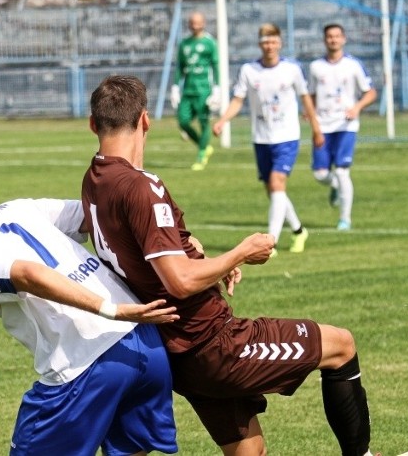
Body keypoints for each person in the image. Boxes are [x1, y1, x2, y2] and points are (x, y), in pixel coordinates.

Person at [82, 75, 381, 456]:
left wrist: (204, 257)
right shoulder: (141, 186)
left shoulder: (94, 179)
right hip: (213, 343)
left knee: (248, 449)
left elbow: (148, 246)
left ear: (93, 124)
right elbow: (179, 279)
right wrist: (240, 252)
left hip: (176, 352)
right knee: (340, 345)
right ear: (145, 120)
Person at [0, 183, 179, 456]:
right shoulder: (14, 208)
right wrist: (185, 244)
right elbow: (100, 215)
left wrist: (110, 309)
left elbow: (28, 275)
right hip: (146, 344)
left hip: (86, 363)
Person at [212, 23, 318, 255]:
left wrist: (316, 128)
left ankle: (271, 242)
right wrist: (223, 120)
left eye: (273, 41)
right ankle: (299, 230)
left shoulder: (292, 69)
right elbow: (238, 100)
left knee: (278, 183)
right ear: (260, 44)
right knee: (273, 190)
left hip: (287, 136)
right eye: (265, 42)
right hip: (262, 137)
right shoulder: (249, 71)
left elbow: (306, 98)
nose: (269, 46)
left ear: (279, 43)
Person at [307, 23, 377, 231]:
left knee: (342, 171)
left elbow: (371, 92)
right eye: (330, 36)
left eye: (337, 36)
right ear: (324, 40)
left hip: (346, 125)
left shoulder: (353, 65)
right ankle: (336, 186)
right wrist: (310, 115)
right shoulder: (316, 67)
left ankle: (345, 220)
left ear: (344, 39)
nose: (333, 40)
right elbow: (310, 95)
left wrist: (357, 107)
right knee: (320, 174)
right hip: (322, 125)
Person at [170, 11, 220, 171]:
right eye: (192, 22)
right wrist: (175, 87)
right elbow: (180, 67)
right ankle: (203, 146)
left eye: (198, 22)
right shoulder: (184, 44)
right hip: (188, 90)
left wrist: (216, 89)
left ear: (203, 23)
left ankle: (201, 157)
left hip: (204, 90)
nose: (195, 25)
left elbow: (215, 66)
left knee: (204, 123)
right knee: (183, 121)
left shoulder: (210, 43)